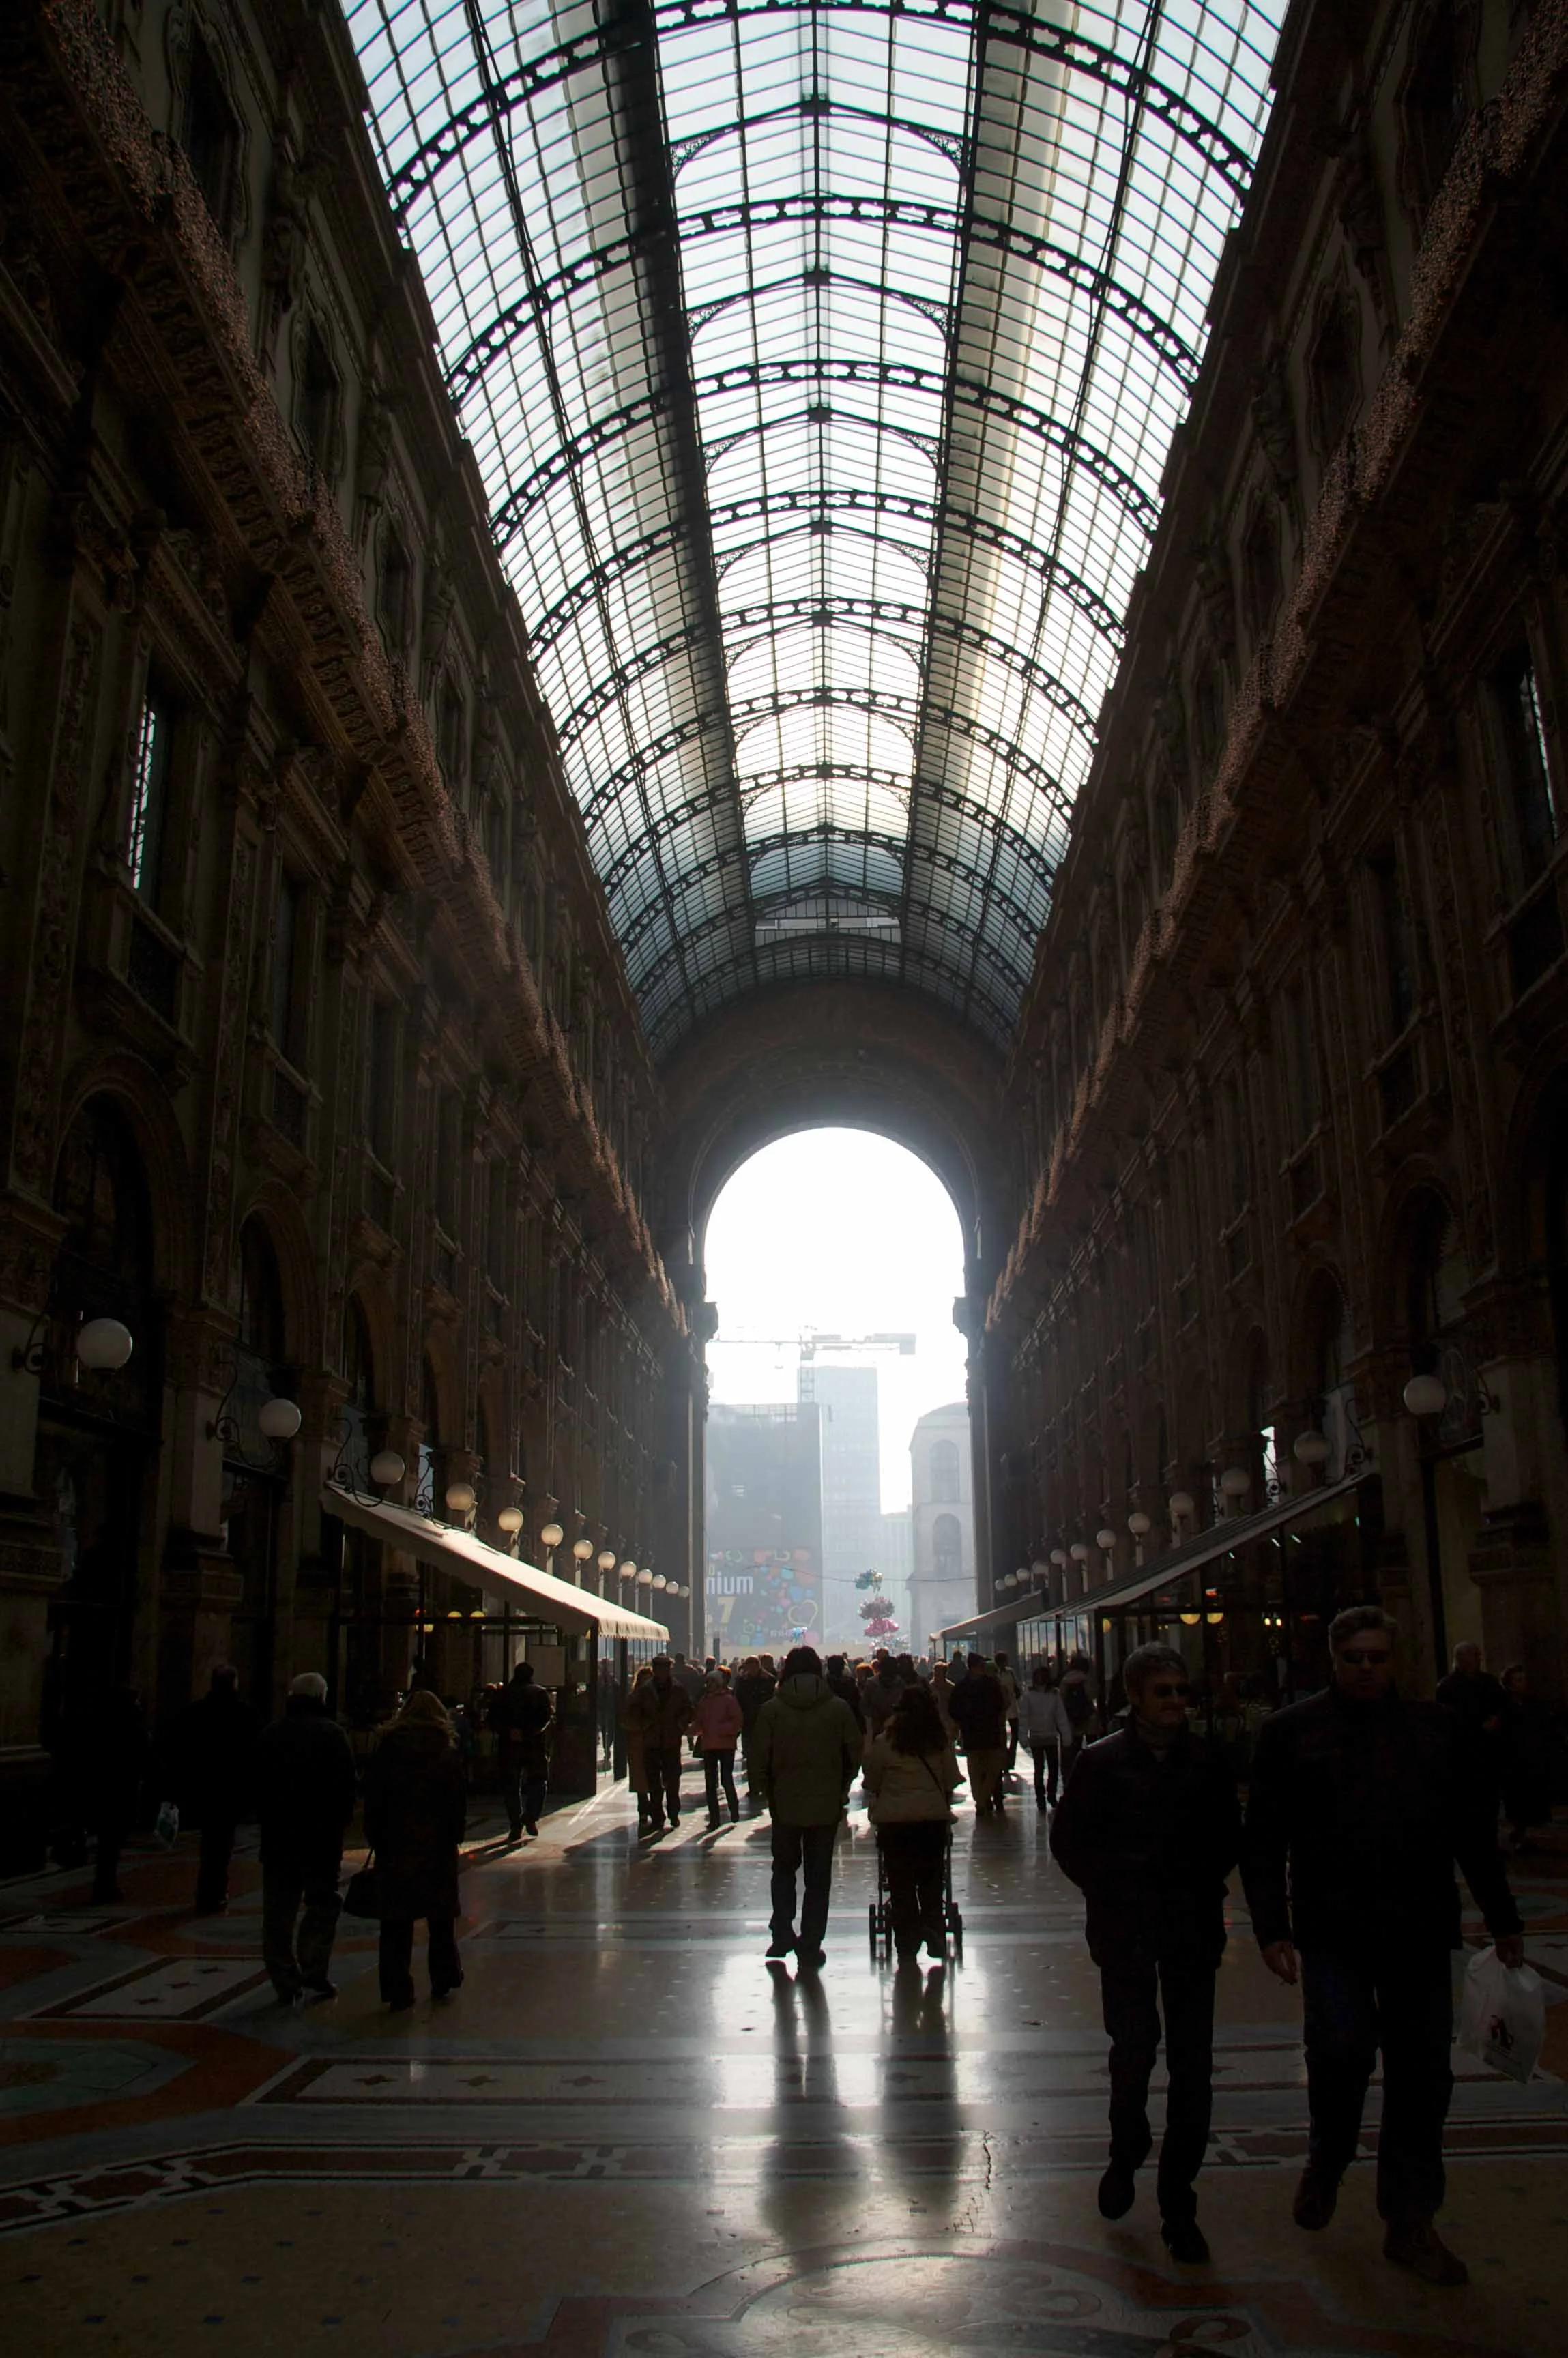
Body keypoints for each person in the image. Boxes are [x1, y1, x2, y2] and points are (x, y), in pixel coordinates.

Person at [1243, 1605, 1524, 2287]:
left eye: (1378, 1657)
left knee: (1423, 2078)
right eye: (1354, 1658)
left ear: (1396, 1661)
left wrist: (1503, 1916)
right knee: (1340, 2053)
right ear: (1334, 1662)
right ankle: (1329, 2156)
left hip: (1419, 1929)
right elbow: (1263, 1838)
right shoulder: (1292, 1733)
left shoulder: (1437, 1730)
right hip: (1333, 1929)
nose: (1366, 1669)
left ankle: (1411, 2221)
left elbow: (1470, 1832)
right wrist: (1271, 1928)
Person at [1050, 1642, 1240, 2267]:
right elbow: (1069, 1841)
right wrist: (1111, 1887)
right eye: (1164, 1692)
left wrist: (1199, 1879)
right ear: (1135, 1696)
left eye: (1182, 1692)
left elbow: (1228, 1837)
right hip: (1126, 1927)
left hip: (1190, 1926)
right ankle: (1126, 2147)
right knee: (1132, 2050)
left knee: (1193, 2065)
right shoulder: (1101, 1764)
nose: (1177, 1703)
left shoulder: (1208, 1761)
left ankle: (1179, 2202)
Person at [751, 1645, 862, 1968]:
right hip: (826, 1803)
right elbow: (854, 1752)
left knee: (783, 1869)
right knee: (819, 1876)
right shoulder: (838, 1709)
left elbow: (759, 1755)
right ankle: (811, 1941)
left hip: (784, 1802)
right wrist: (842, 1786)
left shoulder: (772, 1710)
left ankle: (782, 1931)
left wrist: (765, 1789)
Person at [255, 1671, 356, 2003]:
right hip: (320, 1838)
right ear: (321, 1698)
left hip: (279, 1837)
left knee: (279, 1910)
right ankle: (314, 1969)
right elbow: (346, 1787)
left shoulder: (272, 1734)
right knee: (323, 1903)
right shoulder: (332, 1735)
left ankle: (284, 1977)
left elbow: (258, 1785)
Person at [364, 1689, 467, 2009]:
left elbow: (374, 1796)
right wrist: (455, 1835)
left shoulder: (386, 1751)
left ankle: (397, 1988)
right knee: (441, 1917)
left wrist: (376, 1835)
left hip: (396, 1843)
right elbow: (456, 1802)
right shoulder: (447, 1753)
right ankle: (443, 1976)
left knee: (396, 1920)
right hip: (436, 1844)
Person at [865, 1681, 961, 1964]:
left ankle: (907, 1940)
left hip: (895, 1823)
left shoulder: (886, 1742)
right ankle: (933, 1927)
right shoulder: (939, 1742)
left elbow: (872, 1781)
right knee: (931, 1879)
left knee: (900, 1882)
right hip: (931, 1821)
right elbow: (952, 1779)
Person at [166, 1663, 262, 1912]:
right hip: (230, 1789)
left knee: (212, 1843)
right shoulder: (244, 1714)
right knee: (221, 1844)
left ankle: (209, 1890)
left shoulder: (195, 1713)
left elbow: (178, 1748)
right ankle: (214, 1891)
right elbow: (255, 1754)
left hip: (202, 1787)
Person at [624, 1655, 693, 1831]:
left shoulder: (678, 1689)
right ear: (655, 1670)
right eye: (660, 1668)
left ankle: (673, 1811)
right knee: (654, 1782)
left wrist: (680, 1725)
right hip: (652, 1741)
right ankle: (657, 1815)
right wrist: (644, 1725)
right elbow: (631, 1710)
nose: (663, 1672)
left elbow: (688, 1709)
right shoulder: (645, 1690)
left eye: (666, 1668)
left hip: (671, 1740)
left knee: (673, 1779)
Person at [1498, 1663, 1555, 1852]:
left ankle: (1523, 1832)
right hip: (1514, 1761)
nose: (1523, 1684)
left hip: (1532, 1757)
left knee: (1531, 1799)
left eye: (1524, 1680)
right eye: (1518, 1681)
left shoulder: (1533, 1704)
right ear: (1509, 1685)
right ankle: (1520, 1833)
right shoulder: (1504, 1708)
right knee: (1517, 1799)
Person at [495, 1661, 553, 1840]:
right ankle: (530, 1815)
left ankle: (515, 1823)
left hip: (509, 1745)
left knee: (511, 1785)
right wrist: (529, 1732)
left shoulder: (503, 1694)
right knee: (538, 1781)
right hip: (533, 1744)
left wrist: (509, 1731)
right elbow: (546, 1718)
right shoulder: (539, 1693)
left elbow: (493, 1718)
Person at [949, 1653, 1008, 1814]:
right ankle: (983, 1798)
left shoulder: (961, 1687)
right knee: (992, 1769)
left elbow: (954, 1709)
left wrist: (963, 1722)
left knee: (975, 1771)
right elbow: (1000, 1705)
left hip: (971, 1734)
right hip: (990, 1732)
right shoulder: (991, 1685)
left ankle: (980, 1799)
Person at [1018, 1663, 1075, 1809]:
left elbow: (1060, 1717)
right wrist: (1066, 1736)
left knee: (1048, 1768)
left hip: (1044, 1737)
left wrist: (1024, 1737)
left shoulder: (1036, 1696)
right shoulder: (1047, 1696)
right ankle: (1044, 1797)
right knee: (1045, 1768)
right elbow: (1060, 1717)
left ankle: (1047, 1795)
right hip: (1042, 1737)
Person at [692, 1672, 744, 1826]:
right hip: (709, 1745)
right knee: (711, 1782)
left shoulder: (728, 1700)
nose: (710, 1685)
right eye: (708, 1682)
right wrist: (690, 1730)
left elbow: (737, 1720)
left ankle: (733, 1810)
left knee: (726, 1779)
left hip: (725, 1745)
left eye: (713, 1682)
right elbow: (699, 1721)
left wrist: (722, 1730)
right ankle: (714, 1818)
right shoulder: (705, 1701)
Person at [733, 1656, 776, 1805]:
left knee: (766, 1756)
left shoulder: (769, 1680)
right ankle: (754, 1787)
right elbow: (737, 1699)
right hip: (749, 1723)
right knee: (751, 1757)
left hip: (764, 1722)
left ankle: (765, 1786)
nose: (749, 1669)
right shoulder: (742, 1681)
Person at [622, 1663, 656, 1831]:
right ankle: (644, 1810)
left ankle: (653, 1809)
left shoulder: (658, 1699)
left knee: (655, 1779)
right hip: (638, 1744)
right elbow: (626, 1720)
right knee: (642, 1782)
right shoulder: (633, 1699)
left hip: (654, 1743)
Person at [993, 1650, 1022, 1771]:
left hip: (1012, 1707)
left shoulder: (1010, 1672)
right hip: (1000, 1709)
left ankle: (1010, 1759)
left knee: (1015, 1734)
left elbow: (1016, 1687)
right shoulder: (995, 1674)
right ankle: (1005, 1760)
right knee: (1002, 1735)